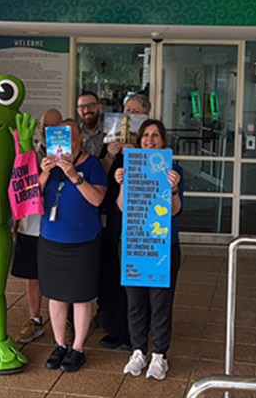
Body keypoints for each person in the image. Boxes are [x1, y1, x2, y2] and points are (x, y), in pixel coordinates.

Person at [115, 119, 183, 380]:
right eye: (145, 135)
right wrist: (122, 183)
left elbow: (175, 210)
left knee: (160, 303)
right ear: (138, 139)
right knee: (135, 303)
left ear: (163, 141)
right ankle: (138, 351)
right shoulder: (129, 167)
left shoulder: (172, 169)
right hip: (134, 243)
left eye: (155, 135)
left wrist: (174, 188)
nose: (150, 140)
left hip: (163, 246)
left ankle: (159, 355)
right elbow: (122, 206)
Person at [38, 119, 107, 373]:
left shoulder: (93, 165)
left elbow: (97, 199)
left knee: (81, 297)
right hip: (51, 239)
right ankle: (59, 345)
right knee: (56, 296)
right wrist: (44, 173)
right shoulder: (48, 166)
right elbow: (32, 200)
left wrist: (73, 176)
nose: (65, 144)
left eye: (71, 138)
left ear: (79, 140)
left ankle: (77, 348)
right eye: (60, 138)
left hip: (83, 241)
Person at [97, 94, 150, 350]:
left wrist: (135, 155)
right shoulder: (112, 141)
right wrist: (109, 156)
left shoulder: (150, 143)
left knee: (135, 272)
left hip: (140, 217)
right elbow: (99, 176)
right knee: (112, 270)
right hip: (114, 216)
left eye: (137, 111)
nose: (130, 114)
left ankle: (135, 330)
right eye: (127, 109)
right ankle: (115, 326)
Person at [11, 108, 62, 344]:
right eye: (44, 125)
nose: (47, 130)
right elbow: (19, 187)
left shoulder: (69, 154)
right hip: (31, 225)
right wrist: (16, 221)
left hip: (60, 225)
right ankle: (35, 319)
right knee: (33, 275)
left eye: (54, 126)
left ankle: (65, 321)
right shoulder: (28, 152)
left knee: (62, 275)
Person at [76, 91, 104, 157]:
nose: (86, 110)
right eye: (82, 107)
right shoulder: (73, 135)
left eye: (91, 106)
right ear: (78, 110)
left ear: (99, 107)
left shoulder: (109, 134)